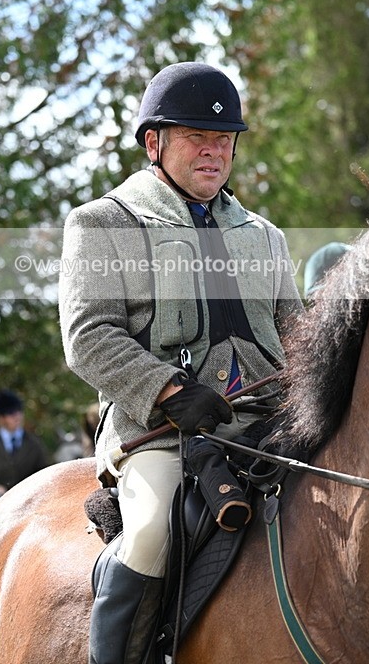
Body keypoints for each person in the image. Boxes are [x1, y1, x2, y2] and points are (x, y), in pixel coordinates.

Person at [59, 61, 302, 664]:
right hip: (159, 433)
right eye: (198, 138)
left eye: (224, 140)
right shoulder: (101, 223)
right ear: (154, 143)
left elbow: (298, 335)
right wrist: (169, 389)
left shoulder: (265, 236)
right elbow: (88, 336)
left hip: (269, 426)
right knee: (150, 533)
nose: (215, 152)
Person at [0, 388, 49, 500]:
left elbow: (45, 473)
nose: (17, 416)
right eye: (11, 413)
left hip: (30, 500)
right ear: (0, 418)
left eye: (19, 411)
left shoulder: (35, 444)